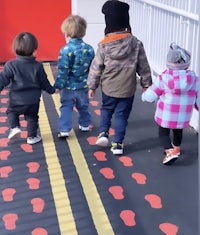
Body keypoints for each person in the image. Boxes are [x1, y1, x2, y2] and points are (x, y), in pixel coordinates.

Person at [87, 0, 152, 155]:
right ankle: (117, 144)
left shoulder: (104, 45)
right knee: (122, 116)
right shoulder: (136, 43)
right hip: (128, 89)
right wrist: (146, 83)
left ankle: (103, 133)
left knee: (106, 109)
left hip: (109, 87)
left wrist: (92, 86)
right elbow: (143, 66)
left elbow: (96, 67)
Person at [142, 42, 199, 164]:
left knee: (163, 133)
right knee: (178, 131)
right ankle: (176, 148)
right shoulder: (194, 79)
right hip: (183, 115)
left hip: (166, 114)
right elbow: (197, 96)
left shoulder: (164, 78)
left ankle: (169, 151)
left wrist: (145, 96)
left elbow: (152, 93)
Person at [0, 32, 55, 144]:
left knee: (11, 112)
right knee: (32, 118)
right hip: (33, 101)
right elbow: (44, 83)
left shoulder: (11, 65)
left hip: (16, 100)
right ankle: (32, 137)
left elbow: (3, 80)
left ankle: (15, 127)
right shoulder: (38, 66)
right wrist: (53, 90)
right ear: (34, 50)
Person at [54, 15, 95, 138]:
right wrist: (94, 85)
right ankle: (85, 125)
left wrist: (58, 86)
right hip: (84, 85)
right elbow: (93, 69)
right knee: (83, 106)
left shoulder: (65, 50)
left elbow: (63, 71)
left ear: (66, 33)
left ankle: (64, 129)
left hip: (68, 87)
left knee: (66, 106)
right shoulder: (89, 49)